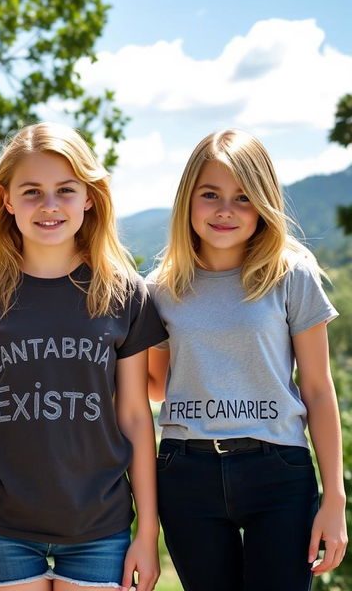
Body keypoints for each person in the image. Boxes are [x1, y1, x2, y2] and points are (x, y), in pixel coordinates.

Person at [0, 122, 167, 591]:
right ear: (6, 199)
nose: (49, 205)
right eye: (32, 191)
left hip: (100, 528)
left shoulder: (123, 293)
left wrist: (147, 533)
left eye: (65, 190)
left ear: (89, 197)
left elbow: (135, 416)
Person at [147, 129, 347, 591]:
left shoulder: (291, 274)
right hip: (185, 472)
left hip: (277, 471)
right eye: (210, 195)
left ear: (263, 203)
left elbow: (318, 389)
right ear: (187, 200)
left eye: (242, 198)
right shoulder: (159, 287)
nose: (224, 210)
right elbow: (158, 387)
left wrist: (334, 499)